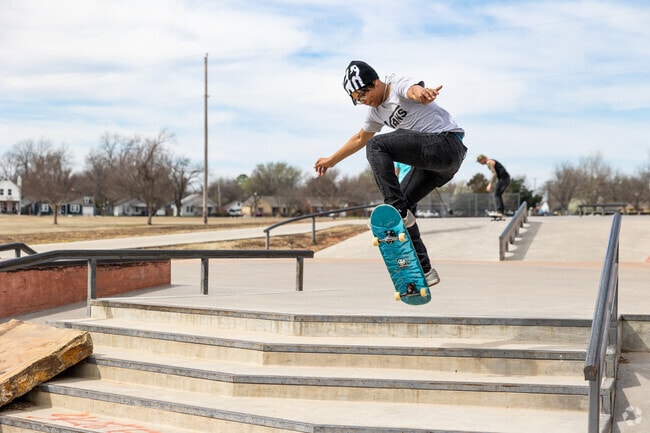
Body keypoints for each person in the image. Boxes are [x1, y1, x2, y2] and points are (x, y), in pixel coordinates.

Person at [314, 60, 467, 287]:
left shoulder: (395, 84)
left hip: (445, 143)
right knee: (402, 211)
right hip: (438, 167)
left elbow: (413, 91)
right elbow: (359, 138)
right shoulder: (374, 113)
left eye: (364, 95)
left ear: (374, 82)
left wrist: (422, 93)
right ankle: (425, 271)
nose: (364, 102)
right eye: (358, 100)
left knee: (376, 147)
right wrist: (331, 160)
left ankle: (395, 207)